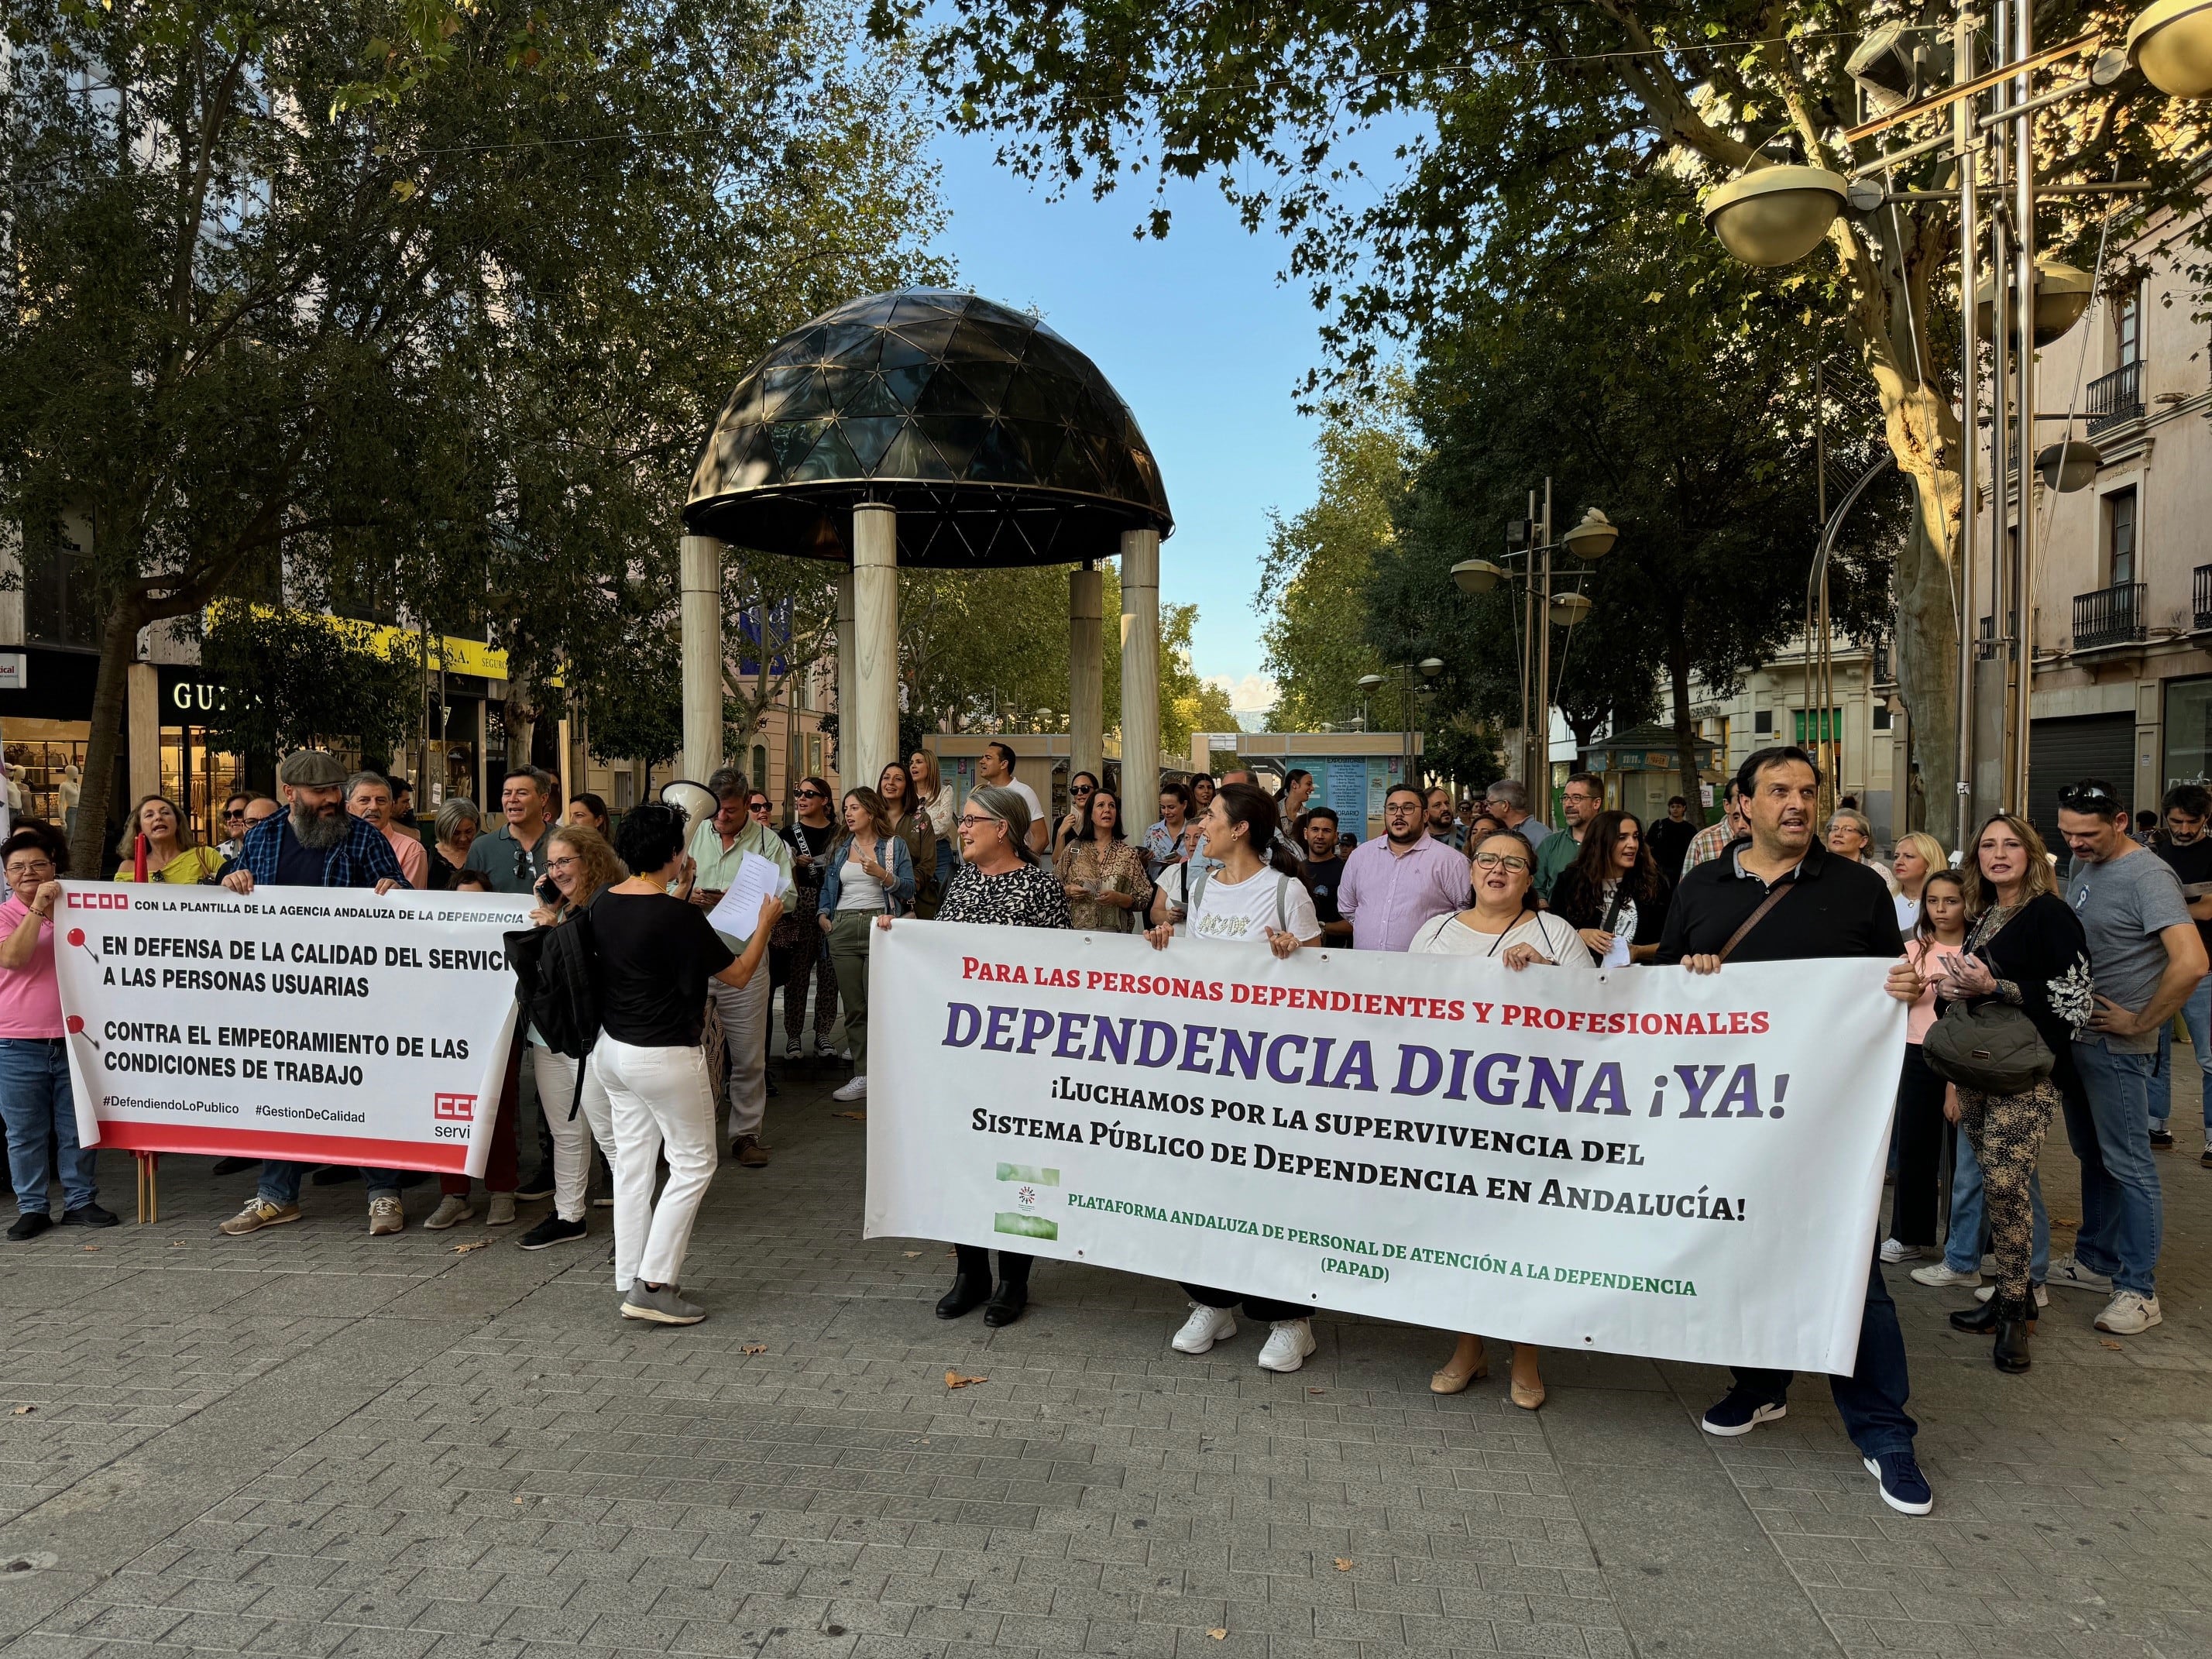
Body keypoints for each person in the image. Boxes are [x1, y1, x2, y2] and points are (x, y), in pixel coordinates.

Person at [1654, 745, 1932, 1516]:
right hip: (1733, 1117)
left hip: (1826, 1118)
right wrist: (1690, 978)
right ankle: (1762, 1383)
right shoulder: (1701, 885)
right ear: (1741, 806)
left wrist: (1904, 987)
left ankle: (1885, 1433)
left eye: (1808, 791)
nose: (1798, 804)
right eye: (1778, 790)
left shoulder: (1858, 888)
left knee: (1852, 1271)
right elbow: (1665, 992)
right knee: (1749, 1250)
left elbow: (1883, 988)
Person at [1143, 783, 1324, 1371]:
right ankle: (1210, 1300)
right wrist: (1167, 944)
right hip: (1207, 1069)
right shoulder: (1197, 887)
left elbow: (1325, 983)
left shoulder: (1284, 890)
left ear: (1242, 828)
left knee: (1271, 1191)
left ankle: (1289, 1318)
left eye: (1212, 816)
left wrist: (1297, 953)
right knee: (1204, 1185)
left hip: (1269, 1073)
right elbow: (1196, 972)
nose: (1201, 825)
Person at [1412, 828, 1594, 1408]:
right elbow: (1403, 1010)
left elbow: (1598, 1014)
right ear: (1469, 871)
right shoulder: (1435, 932)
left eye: (1513, 863)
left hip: (1531, 1114)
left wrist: (1548, 976)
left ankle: (1527, 1355)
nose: (1498, 870)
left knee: (1527, 1236)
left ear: (1530, 877)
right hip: (1452, 1112)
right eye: (1487, 859)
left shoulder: (1554, 932)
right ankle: (1469, 1348)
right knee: (1463, 1231)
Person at [889, 784, 1071, 1328]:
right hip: (964, 1053)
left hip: (1021, 1056)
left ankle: (1015, 1278)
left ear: (1003, 828)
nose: (961, 829)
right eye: (962, 821)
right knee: (962, 1157)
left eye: (970, 821)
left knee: (1023, 1162)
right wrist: (900, 937)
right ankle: (971, 1272)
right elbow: (942, 957)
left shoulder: (1041, 886)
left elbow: (1060, 969)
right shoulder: (963, 881)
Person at [590, 803, 779, 1324]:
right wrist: (765, 923)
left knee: (632, 1165)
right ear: (676, 855)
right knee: (694, 1163)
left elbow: (645, 923)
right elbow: (739, 974)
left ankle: (632, 1274)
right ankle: (655, 1283)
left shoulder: (605, 903)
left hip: (613, 1052)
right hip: (665, 1053)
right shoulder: (680, 916)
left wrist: (677, 886)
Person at [215, 750, 411, 1238]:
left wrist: (394, 889)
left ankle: (383, 1192)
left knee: (364, 1085)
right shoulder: (261, 835)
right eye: (320, 792)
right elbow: (236, 899)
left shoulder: (363, 836)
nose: (332, 800)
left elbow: (406, 897)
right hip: (282, 993)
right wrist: (230, 880)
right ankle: (276, 1196)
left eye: (335, 790)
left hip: (353, 991)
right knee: (283, 1091)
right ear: (290, 794)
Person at [1931, 816, 2096, 1371]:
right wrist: (1954, 988)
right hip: (1982, 1067)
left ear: (2031, 854)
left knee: (2005, 1184)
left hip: (2030, 1071)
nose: (1998, 854)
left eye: (2010, 845)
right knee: (1995, 1178)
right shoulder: (1984, 918)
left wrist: (1993, 987)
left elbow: (2074, 1000)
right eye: (1987, 846)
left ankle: (2016, 1311)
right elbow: (1976, 997)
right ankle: (2008, 1296)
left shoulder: (2050, 913)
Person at [2049, 778, 2207, 1334]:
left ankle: (2139, 1290)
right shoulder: (2089, 865)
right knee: (2093, 1155)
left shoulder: (2149, 874)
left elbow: (2191, 962)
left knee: (2131, 1166)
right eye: (2066, 833)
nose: (2075, 845)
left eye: (2086, 834)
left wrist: (2141, 1022)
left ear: (2119, 822)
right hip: (2082, 1040)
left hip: (2118, 1046)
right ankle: (2095, 1260)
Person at [514, 825, 626, 1252]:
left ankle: (636, 1225)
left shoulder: (608, 903)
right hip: (548, 1036)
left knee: (609, 1133)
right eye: (551, 863)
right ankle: (568, 1215)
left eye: (565, 861)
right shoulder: (562, 906)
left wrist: (555, 923)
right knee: (565, 1130)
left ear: (591, 860)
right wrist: (553, 913)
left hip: (591, 1038)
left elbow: (592, 966)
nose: (557, 871)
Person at [0, 826, 114, 1238]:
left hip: (75, 1039)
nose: (28, 873)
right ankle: (32, 1207)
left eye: (37, 864)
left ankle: (80, 1201)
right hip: (17, 1042)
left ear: (54, 867)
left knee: (76, 1126)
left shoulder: (79, 909)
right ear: (7, 877)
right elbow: (13, 958)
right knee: (25, 1132)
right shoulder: (4, 915)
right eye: (17, 867)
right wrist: (38, 911)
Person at [686, 781, 795, 1167]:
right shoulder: (693, 831)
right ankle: (688, 1137)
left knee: (749, 1055)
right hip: (692, 960)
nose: (721, 818)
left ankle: (746, 1135)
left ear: (748, 804)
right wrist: (690, 893)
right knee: (686, 1053)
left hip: (743, 958)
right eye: (716, 810)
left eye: (730, 810)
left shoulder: (768, 843)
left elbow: (791, 897)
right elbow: (660, 882)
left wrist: (742, 897)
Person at [1880, 870, 1967, 1269]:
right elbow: (1890, 999)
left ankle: (1965, 1240)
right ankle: (1908, 1233)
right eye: (1933, 901)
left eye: (1951, 901)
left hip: (1963, 1056)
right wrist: (1908, 988)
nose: (1941, 909)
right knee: (1914, 1145)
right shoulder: (1913, 948)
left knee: (1964, 1154)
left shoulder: (1977, 946)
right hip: (1916, 1051)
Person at [819, 786, 915, 1105]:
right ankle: (862, 1075)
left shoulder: (893, 847)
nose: (848, 813)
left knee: (881, 1006)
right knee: (854, 1008)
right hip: (843, 926)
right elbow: (828, 888)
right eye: (846, 807)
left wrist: (882, 874)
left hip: (880, 924)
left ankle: (888, 1074)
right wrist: (823, 916)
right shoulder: (839, 846)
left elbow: (909, 888)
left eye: (855, 807)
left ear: (871, 812)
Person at [2148, 782, 2212, 1156]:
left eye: (2193, 822)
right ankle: (2155, 1125)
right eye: (2177, 821)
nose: (2184, 829)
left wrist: (2157, 909)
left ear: (2206, 819)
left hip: (2206, 971)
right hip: (2159, 968)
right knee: (2156, 1053)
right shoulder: (2156, 853)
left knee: (2209, 1057)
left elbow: (2207, 909)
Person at [1336, 785, 1467, 951]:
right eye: (1392, 808)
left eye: (1408, 808)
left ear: (1425, 815)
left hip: (1423, 969)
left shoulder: (1451, 861)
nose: (1398, 814)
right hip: (1365, 968)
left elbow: (1465, 915)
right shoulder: (1360, 856)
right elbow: (1347, 907)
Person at [1549, 810, 1671, 965]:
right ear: (1602, 841)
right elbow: (1551, 935)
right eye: (1622, 838)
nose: (1632, 844)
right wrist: (1579, 934)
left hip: (1639, 980)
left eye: (1635, 836)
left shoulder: (1653, 883)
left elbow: (1672, 943)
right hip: (1585, 980)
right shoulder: (1570, 881)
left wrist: (1638, 951)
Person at [780, 775, 840, 1060]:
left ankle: (823, 1034)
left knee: (829, 973)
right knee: (797, 972)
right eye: (798, 793)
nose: (802, 798)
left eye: (809, 794)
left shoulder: (840, 833)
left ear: (824, 801)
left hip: (831, 902)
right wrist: (793, 863)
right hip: (800, 903)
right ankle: (793, 1036)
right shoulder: (787, 833)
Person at [1054, 785, 1149, 933]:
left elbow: (1143, 898)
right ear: (1090, 814)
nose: (1107, 810)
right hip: (1076, 936)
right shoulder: (1074, 848)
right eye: (1100, 805)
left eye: (1112, 806)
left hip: (1115, 939)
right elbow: (1052, 888)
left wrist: (1118, 898)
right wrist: (1068, 890)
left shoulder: (1128, 854)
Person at [464, 766, 558, 895]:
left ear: (543, 799)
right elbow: (469, 902)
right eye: (507, 793)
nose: (512, 799)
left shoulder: (567, 841)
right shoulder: (482, 848)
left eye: (522, 793)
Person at [111, 794, 224, 884]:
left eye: (165, 812)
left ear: (178, 822)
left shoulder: (206, 856)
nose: (158, 817)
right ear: (140, 828)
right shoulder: (128, 868)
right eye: (149, 815)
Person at [878, 761, 941, 917]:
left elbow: (928, 864)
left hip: (914, 902)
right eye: (886, 778)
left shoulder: (920, 819)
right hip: (876, 900)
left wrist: (904, 885)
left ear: (907, 785)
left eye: (898, 779)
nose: (890, 783)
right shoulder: (871, 818)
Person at [346, 771, 428, 891]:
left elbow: (411, 904)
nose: (373, 807)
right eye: (364, 800)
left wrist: (399, 891)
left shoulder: (411, 850)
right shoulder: (338, 846)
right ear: (348, 808)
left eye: (381, 801)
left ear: (391, 807)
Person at [1534, 772, 1602, 900]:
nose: (1568, 804)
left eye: (1576, 798)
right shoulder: (1549, 844)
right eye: (1565, 797)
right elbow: (1535, 887)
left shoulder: (1611, 842)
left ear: (1596, 803)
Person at [978, 740, 1047, 855]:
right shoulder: (983, 793)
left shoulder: (1024, 793)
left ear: (1004, 764)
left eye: (988, 758)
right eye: (983, 757)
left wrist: (1024, 867)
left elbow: (1042, 838)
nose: (982, 761)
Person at [909, 750, 957, 906]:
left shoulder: (945, 792)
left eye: (919, 762)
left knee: (947, 897)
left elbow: (943, 824)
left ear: (930, 766)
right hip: (913, 853)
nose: (913, 766)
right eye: (911, 762)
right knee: (915, 898)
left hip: (939, 852)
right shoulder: (907, 796)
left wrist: (914, 832)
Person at [1297, 807, 1351, 943]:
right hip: (1298, 952)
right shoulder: (1296, 870)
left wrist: (1321, 926)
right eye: (1315, 829)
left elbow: (1356, 923)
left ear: (1335, 836)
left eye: (1326, 831)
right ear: (1306, 833)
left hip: (1335, 954)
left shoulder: (1346, 872)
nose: (1320, 836)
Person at [1681, 778, 1750, 875]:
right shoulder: (1702, 841)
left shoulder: (1765, 837)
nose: (1745, 803)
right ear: (1727, 805)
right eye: (1740, 797)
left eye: (1750, 797)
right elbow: (1687, 888)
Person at [1140, 779, 1204, 879]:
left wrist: (1182, 861)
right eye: (1163, 807)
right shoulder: (1152, 831)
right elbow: (1144, 869)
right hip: (1156, 887)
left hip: (1185, 886)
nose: (1166, 812)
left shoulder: (1195, 830)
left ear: (1184, 805)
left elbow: (1204, 863)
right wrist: (1144, 861)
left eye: (1171, 807)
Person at [1890, 831, 1947, 933]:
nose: (1898, 862)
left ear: (1929, 863)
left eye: (1909, 856)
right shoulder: (1887, 899)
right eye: (1896, 856)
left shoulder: (1943, 906)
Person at [1826, 808, 1894, 892]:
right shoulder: (1818, 870)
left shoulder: (1878, 873)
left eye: (1848, 830)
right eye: (1834, 829)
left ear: (1863, 841)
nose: (1838, 834)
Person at [429, 799, 481, 891]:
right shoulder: (428, 857)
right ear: (444, 830)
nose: (463, 838)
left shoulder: (484, 855)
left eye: (469, 831)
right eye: (456, 833)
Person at [1482, 778, 1552, 847]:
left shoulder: (1540, 835)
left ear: (1505, 805)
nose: (1487, 809)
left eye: (1490, 804)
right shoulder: (1500, 830)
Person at [1050, 769, 1100, 859]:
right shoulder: (1060, 822)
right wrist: (1061, 833)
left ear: (1096, 791)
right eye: (1075, 790)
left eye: (1085, 789)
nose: (1080, 793)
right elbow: (1056, 862)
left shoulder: (1101, 820)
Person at [1645, 795, 1695, 877]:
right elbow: (1647, 843)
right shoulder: (1659, 825)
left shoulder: (1690, 828)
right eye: (1672, 807)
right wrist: (1650, 858)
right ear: (1669, 808)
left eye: (1678, 807)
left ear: (1684, 808)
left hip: (1681, 870)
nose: (1675, 809)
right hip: (1660, 869)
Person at [1274, 770, 1315, 862]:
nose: (1312, 788)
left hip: (1300, 868)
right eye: (1309, 784)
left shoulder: (1310, 816)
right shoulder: (1272, 811)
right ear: (1294, 785)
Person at [1424, 785, 1464, 851]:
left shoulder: (1468, 834)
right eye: (1437, 805)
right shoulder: (1417, 839)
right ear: (1425, 813)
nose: (1445, 808)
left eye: (1447, 803)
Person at [217, 793, 255, 860]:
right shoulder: (220, 852)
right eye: (228, 815)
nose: (232, 820)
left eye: (238, 814)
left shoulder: (271, 849)